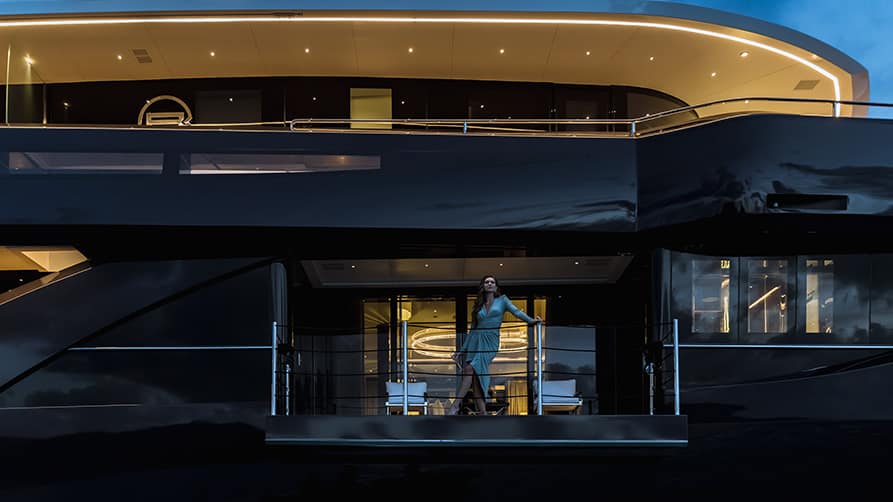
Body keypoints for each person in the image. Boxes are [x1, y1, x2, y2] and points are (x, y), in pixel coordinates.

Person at [447, 275, 542, 415]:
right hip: (476, 341)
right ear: (483, 286)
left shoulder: (502, 300)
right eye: (487, 282)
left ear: (496, 287)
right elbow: (472, 329)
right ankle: (483, 412)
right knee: (474, 376)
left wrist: (531, 321)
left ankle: (455, 406)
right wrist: (461, 351)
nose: (490, 284)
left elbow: (516, 312)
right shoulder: (478, 304)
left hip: (491, 341)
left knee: (469, 369)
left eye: (492, 282)